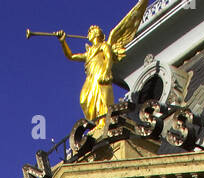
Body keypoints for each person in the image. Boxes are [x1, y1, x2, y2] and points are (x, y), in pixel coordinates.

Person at [55, 2, 149, 131]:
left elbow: (109, 58)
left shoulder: (104, 46)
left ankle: (103, 122)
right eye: (90, 31)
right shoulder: (88, 52)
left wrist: (105, 72)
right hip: (91, 77)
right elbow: (71, 56)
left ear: (98, 34)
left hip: (101, 74)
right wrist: (63, 41)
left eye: (93, 31)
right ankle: (95, 122)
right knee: (84, 99)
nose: (90, 32)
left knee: (102, 100)